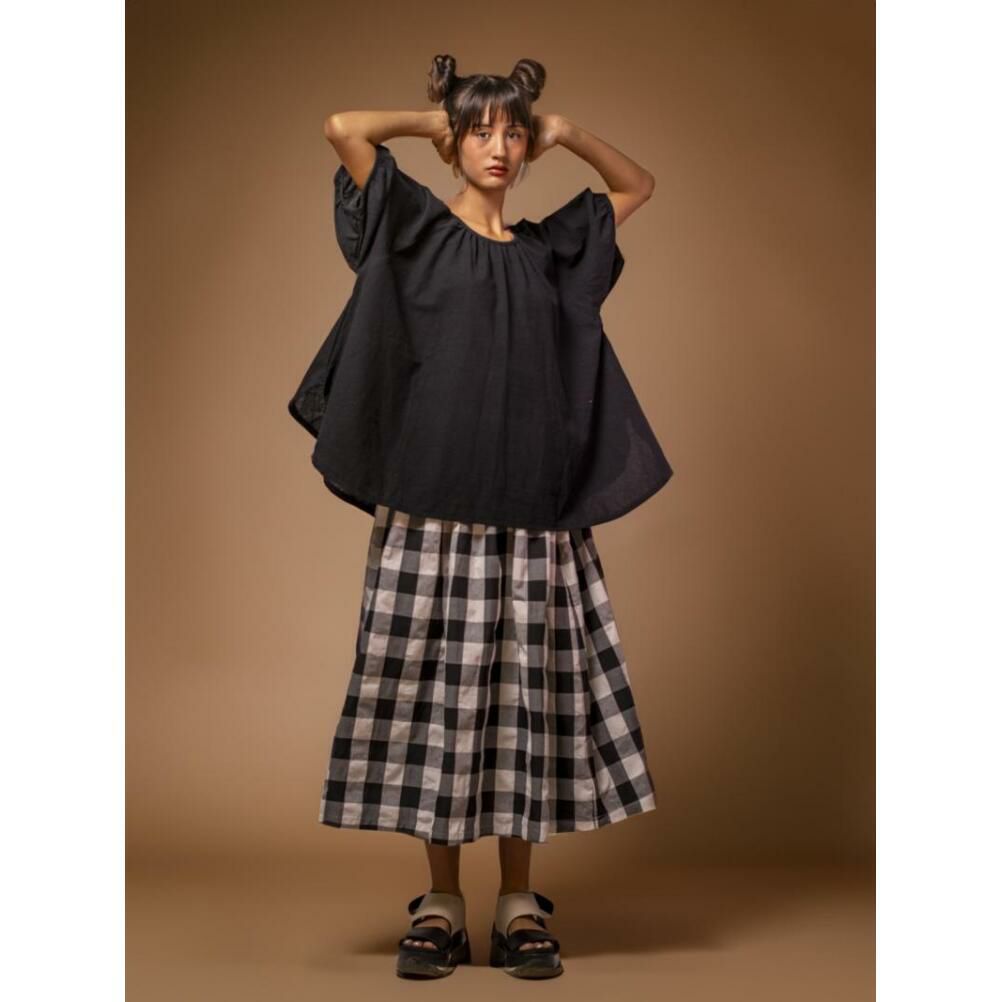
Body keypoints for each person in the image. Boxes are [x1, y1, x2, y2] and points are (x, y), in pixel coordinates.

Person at [288, 54, 673, 981]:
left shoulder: (551, 252)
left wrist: (565, 132)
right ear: (456, 142)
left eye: (512, 133)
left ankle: (518, 903)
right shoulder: (413, 224)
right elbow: (343, 125)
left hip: (534, 518)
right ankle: (441, 904)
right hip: (433, 512)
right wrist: (435, 121)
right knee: (439, 708)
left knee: (521, 708)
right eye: (481, 132)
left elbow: (638, 186)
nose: (498, 148)